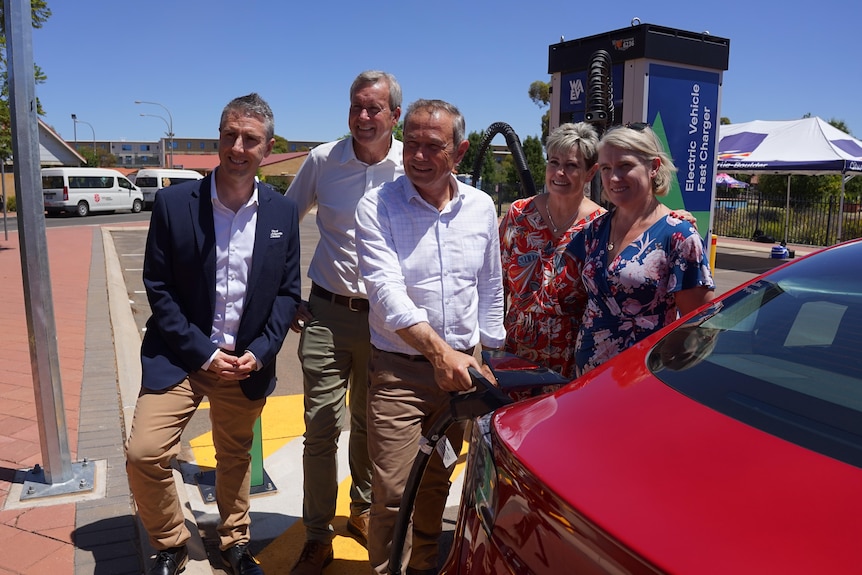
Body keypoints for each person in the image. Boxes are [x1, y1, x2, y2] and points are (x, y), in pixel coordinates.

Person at [125, 93, 301, 575]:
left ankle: (235, 540)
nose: (237, 147)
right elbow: (158, 287)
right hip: (181, 357)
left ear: (267, 148)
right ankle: (170, 541)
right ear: (219, 137)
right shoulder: (173, 204)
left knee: (235, 456)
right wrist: (202, 352)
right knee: (144, 453)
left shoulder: (282, 214)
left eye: (250, 139)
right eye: (230, 135)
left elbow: (287, 294)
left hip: (243, 363)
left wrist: (262, 353)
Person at [355, 99, 505, 575]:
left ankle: (421, 568)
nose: (418, 156)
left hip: (461, 372)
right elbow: (385, 292)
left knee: (437, 486)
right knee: (394, 494)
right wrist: (440, 354)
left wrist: (491, 356)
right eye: (412, 144)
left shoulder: (480, 207)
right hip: (400, 374)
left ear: (459, 151)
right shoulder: (377, 205)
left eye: (432, 146)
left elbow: (489, 285)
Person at [285, 70, 403, 575]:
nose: (362, 117)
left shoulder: (411, 165)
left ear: (394, 114)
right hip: (327, 314)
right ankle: (316, 534)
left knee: (370, 425)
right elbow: (279, 223)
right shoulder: (322, 161)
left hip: (386, 321)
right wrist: (286, 292)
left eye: (374, 108)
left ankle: (359, 508)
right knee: (320, 426)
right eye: (356, 107)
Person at [568, 123, 715, 375]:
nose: (614, 178)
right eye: (606, 168)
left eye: (625, 165)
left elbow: (700, 324)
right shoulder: (595, 230)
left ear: (653, 167)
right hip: (588, 379)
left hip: (641, 378)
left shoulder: (678, 236)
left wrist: (666, 370)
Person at [499, 122, 605, 379]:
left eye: (571, 166)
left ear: (590, 173)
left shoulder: (601, 225)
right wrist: (491, 342)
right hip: (515, 349)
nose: (560, 173)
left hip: (571, 357)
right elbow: (495, 282)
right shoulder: (520, 214)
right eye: (554, 163)